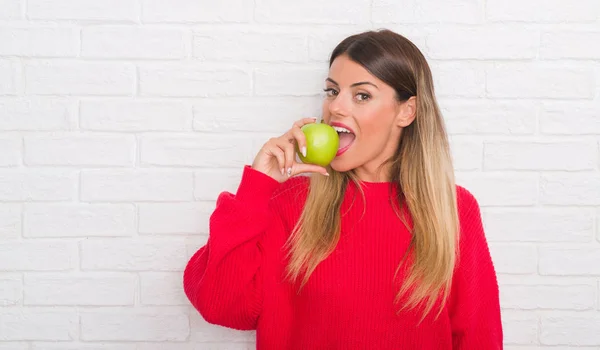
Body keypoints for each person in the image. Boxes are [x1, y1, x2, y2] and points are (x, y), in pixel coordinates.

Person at [183, 29, 503, 349]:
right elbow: (221, 307)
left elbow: (478, 337)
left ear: (407, 111)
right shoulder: (290, 203)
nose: (336, 108)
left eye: (361, 95)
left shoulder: (453, 209)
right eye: (332, 91)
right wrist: (257, 187)